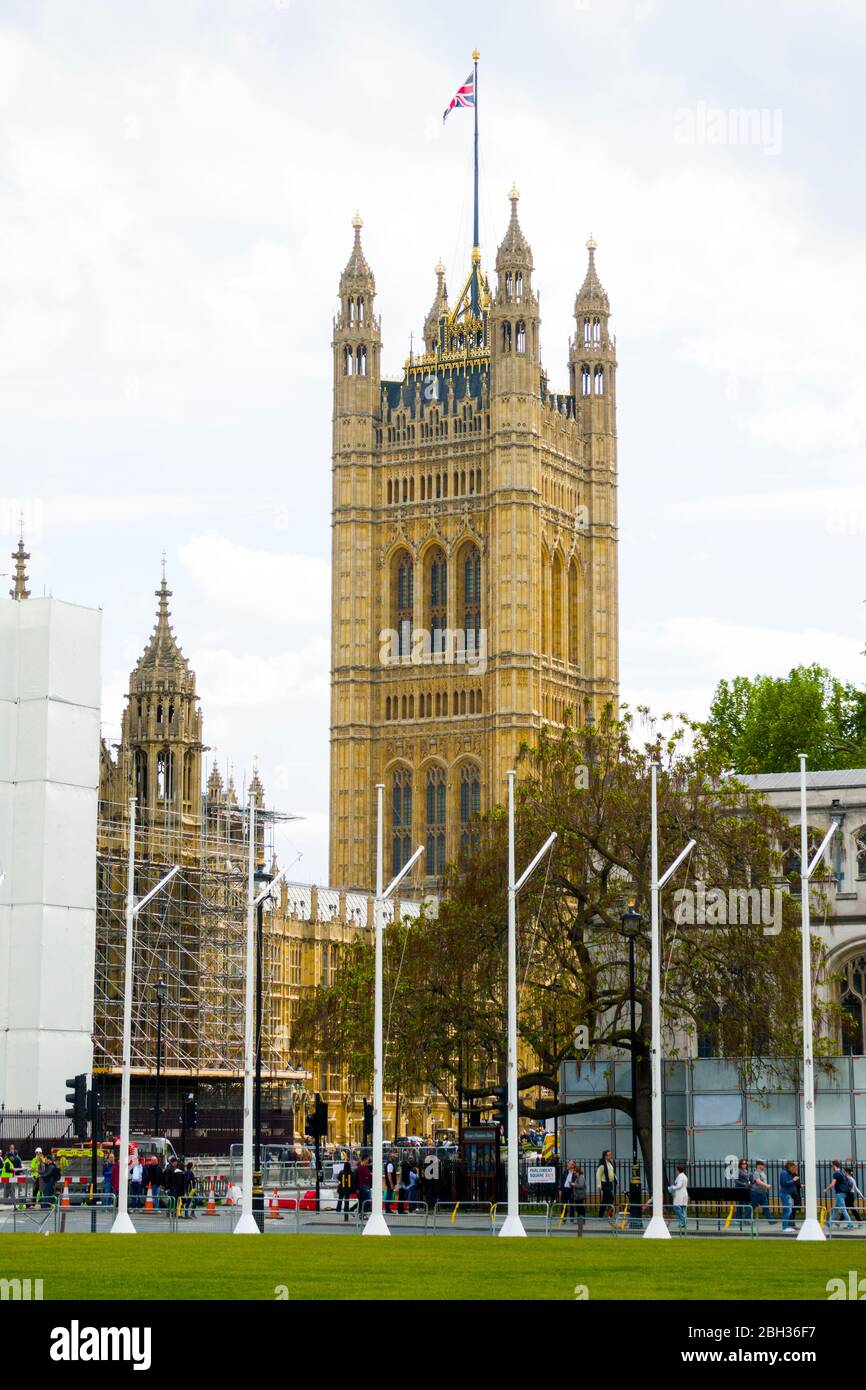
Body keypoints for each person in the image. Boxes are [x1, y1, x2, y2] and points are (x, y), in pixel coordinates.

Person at [824, 1161, 855, 1231]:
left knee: (843, 1210)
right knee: (835, 1209)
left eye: (832, 1166)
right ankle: (829, 1223)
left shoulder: (836, 1174)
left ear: (835, 1166)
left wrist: (826, 1190)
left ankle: (850, 1225)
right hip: (843, 1194)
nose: (832, 1167)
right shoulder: (841, 1173)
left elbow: (832, 1184)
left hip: (839, 1194)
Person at [596, 1150, 617, 1222]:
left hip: (610, 1183)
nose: (610, 1156)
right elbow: (598, 1175)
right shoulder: (602, 1165)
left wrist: (616, 1182)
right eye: (609, 1155)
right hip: (604, 1184)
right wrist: (599, 1186)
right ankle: (609, 1215)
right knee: (611, 1199)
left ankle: (601, 1215)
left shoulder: (610, 1163)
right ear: (605, 1156)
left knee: (604, 1201)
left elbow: (612, 1173)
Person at [779, 1160, 799, 1233]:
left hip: (788, 1194)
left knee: (789, 1210)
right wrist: (793, 1180)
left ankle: (787, 1226)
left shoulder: (788, 1173)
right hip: (785, 1194)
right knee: (787, 1210)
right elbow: (784, 1183)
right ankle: (785, 1227)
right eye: (793, 1168)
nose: (794, 1169)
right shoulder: (784, 1173)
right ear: (789, 1167)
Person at [668, 1163, 689, 1233]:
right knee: (683, 1208)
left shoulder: (680, 1176)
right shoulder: (685, 1176)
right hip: (684, 1193)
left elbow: (679, 1185)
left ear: (677, 1170)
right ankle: (682, 1223)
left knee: (676, 1207)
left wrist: (671, 1188)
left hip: (680, 1194)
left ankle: (683, 1220)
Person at [336, 1153, 354, 1223]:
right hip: (348, 1188)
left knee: (340, 1199)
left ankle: (338, 1209)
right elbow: (352, 1180)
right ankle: (346, 1209)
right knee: (347, 1199)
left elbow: (338, 1178)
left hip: (341, 1188)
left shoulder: (341, 1172)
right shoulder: (351, 1173)